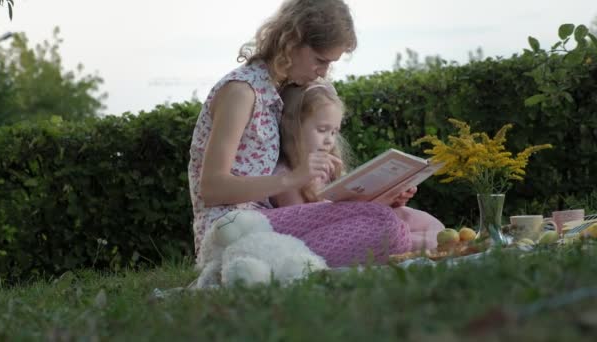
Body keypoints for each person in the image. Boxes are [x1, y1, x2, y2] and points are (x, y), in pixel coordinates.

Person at [188, 0, 428, 268]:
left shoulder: (278, 92)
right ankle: (256, 265)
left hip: (267, 226)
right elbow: (210, 188)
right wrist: (293, 178)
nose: (323, 72)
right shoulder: (242, 92)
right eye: (320, 60)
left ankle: (273, 266)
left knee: (386, 219)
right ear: (292, 42)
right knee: (385, 226)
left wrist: (382, 192)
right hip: (230, 233)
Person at [270, 80, 444, 252]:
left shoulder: (329, 167)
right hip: (331, 236)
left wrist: (390, 199)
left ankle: (439, 241)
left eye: (334, 132)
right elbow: (297, 225)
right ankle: (433, 245)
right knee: (402, 236)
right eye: (322, 129)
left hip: (360, 221)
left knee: (422, 220)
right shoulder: (286, 176)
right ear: (293, 128)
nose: (330, 139)